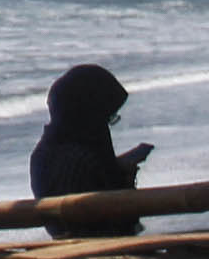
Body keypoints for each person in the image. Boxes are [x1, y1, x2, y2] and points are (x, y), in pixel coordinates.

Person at [31, 63, 154, 235]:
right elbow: (117, 224)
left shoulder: (46, 152)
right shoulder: (83, 161)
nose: (107, 125)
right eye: (108, 117)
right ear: (91, 113)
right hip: (96, 248)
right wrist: (122, 181)